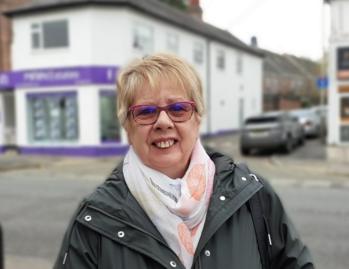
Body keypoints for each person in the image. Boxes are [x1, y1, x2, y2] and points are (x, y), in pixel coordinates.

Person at [53, 53, 314, 269]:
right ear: (127, 127)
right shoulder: (95, 220)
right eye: (145, 112)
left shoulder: (254, 198)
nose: (163, 122)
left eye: (178, 109)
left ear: (197, 117)